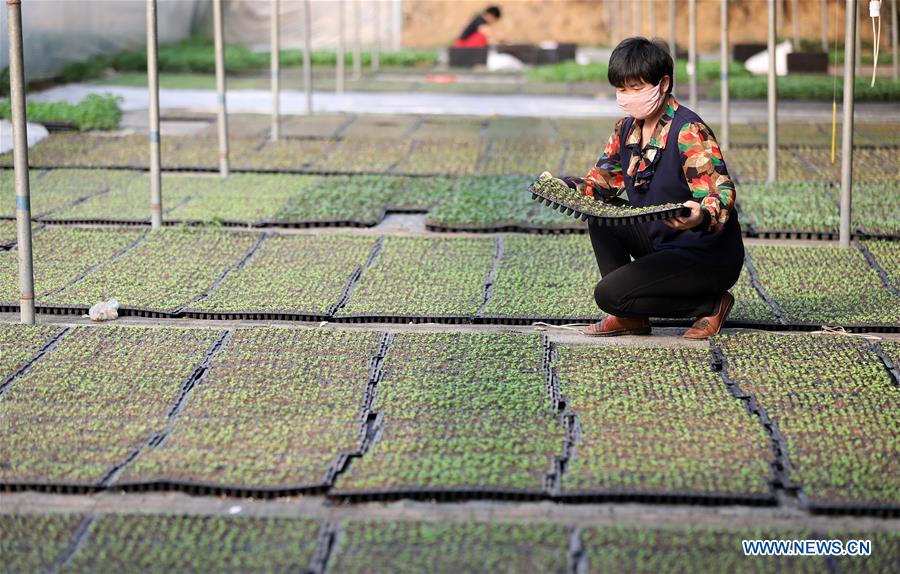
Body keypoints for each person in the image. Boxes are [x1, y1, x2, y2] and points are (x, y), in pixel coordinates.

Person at [562, 37, 744, 339]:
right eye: (622, 89)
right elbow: (602, 183)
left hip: (702, 252)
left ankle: (710, 302)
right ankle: (631, 317)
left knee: (608, 294)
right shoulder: (627, 128)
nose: (628, 96)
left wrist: (700, 216)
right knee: (600, 215)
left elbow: (720, 192)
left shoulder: (687, 130)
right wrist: (564, 186)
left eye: (636, 88)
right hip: (661, 239)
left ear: (663, 84)